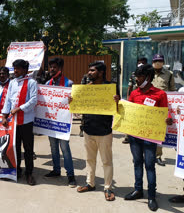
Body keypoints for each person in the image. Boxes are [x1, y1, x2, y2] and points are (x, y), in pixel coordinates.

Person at [123, 64, 172, 212]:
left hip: (150, 137)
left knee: (150, 166)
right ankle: (138, 190)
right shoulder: (134, 93)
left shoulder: (160, 94)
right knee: (137, 162)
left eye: (140, 76)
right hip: (135, 136)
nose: (136, 79)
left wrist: (168, 119)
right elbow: (128, 111)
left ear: (148, 77)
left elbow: (166, 113)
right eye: (136, 76)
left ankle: (151, 196)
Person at [72, 62, 117, 201]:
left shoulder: (110, 88)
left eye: (92, 71)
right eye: (89, 71)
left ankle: (108, 187)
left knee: (106, 161)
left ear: (101, 72)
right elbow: (78, 109)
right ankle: (90, 183)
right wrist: (72, 101)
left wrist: (117, 101)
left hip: (104, 130)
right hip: (88, 129)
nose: (89, 73)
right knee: (90, 159)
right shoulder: (85, 89)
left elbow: (119, 109)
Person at [2, 59, 37, 186]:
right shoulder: (12, 83)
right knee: (15, 148)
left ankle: (29, 173)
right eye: (14, 68)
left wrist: (19, 108)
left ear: (25, 70)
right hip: (14, 121)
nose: (15, 71)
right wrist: (4, 116)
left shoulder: (32, 82)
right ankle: (16, 171)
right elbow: (8, 100)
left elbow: (33, 100)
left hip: (26, 121)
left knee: (28, 149)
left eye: (18, 68)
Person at [44, 57, 77, 188]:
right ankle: (56, 170)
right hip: (52, 121)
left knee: (65, 148)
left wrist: (71, 101)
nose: (51, 69)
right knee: (53, 147)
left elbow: (76, 103)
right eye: (50, 67)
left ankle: (71, 175)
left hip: (63, 122)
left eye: (54, 67)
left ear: (60, 68)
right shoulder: (47, 84)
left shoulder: (69, 84)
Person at [151, 54, 176, 166]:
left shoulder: (169, 74)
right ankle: (145, 155)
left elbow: (172, 91)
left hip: (162, 105)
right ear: (152, 62)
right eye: (156, 61)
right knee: (145, 129)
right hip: (148, 106)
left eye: (160, 61)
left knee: (160, 131)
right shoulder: (147, 72)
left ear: (163, 62)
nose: (158, 63)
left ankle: (158, 156)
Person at [123, 57, 148, 144]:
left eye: (143, 63)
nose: (141, 64)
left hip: (145, 98)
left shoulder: (149, 74)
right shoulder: (133, 74)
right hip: (134, 97)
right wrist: (128, 98)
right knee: (131, 118)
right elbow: (130, 86)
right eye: (139, 63)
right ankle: (127, 136)